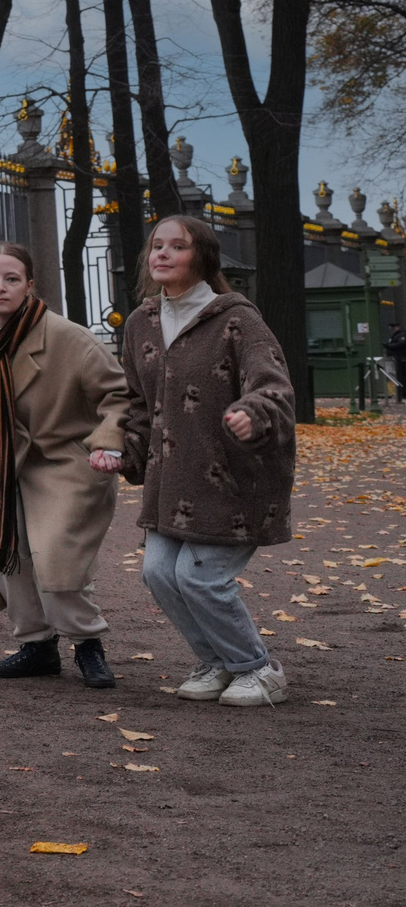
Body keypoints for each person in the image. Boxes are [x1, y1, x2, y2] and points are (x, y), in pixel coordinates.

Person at [105, 214, 299, 707]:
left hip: (234, 478)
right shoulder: (140, 323)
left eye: (178, 246)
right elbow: (137, 404)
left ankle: (259, 668)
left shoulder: (237, 320)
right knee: (158, 573)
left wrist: (252, 415)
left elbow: (273, 386)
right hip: (171, 480)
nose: (163, 254)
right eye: (157, 245)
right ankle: (217, 662)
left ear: (204, 258)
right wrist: (123, 451)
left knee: (200, 577)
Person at [0, 242, 130, 688]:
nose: (0, 288)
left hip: (71, 460)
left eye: (11, 279)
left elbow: (120, 394)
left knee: (56, 556)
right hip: (13, 464)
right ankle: (37, 646)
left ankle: (88, 645)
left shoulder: (67, 337)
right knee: (9, 554)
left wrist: (109, 441)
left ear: (30, 285)